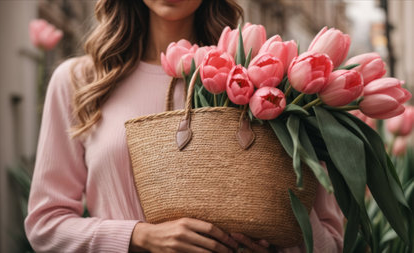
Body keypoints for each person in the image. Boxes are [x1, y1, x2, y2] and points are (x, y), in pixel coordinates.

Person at [24, 0, 344, 252]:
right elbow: (45, 226)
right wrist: (140, 237)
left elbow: (330, 240)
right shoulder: (80, 81)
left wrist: (275, 242)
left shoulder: (262, 81)